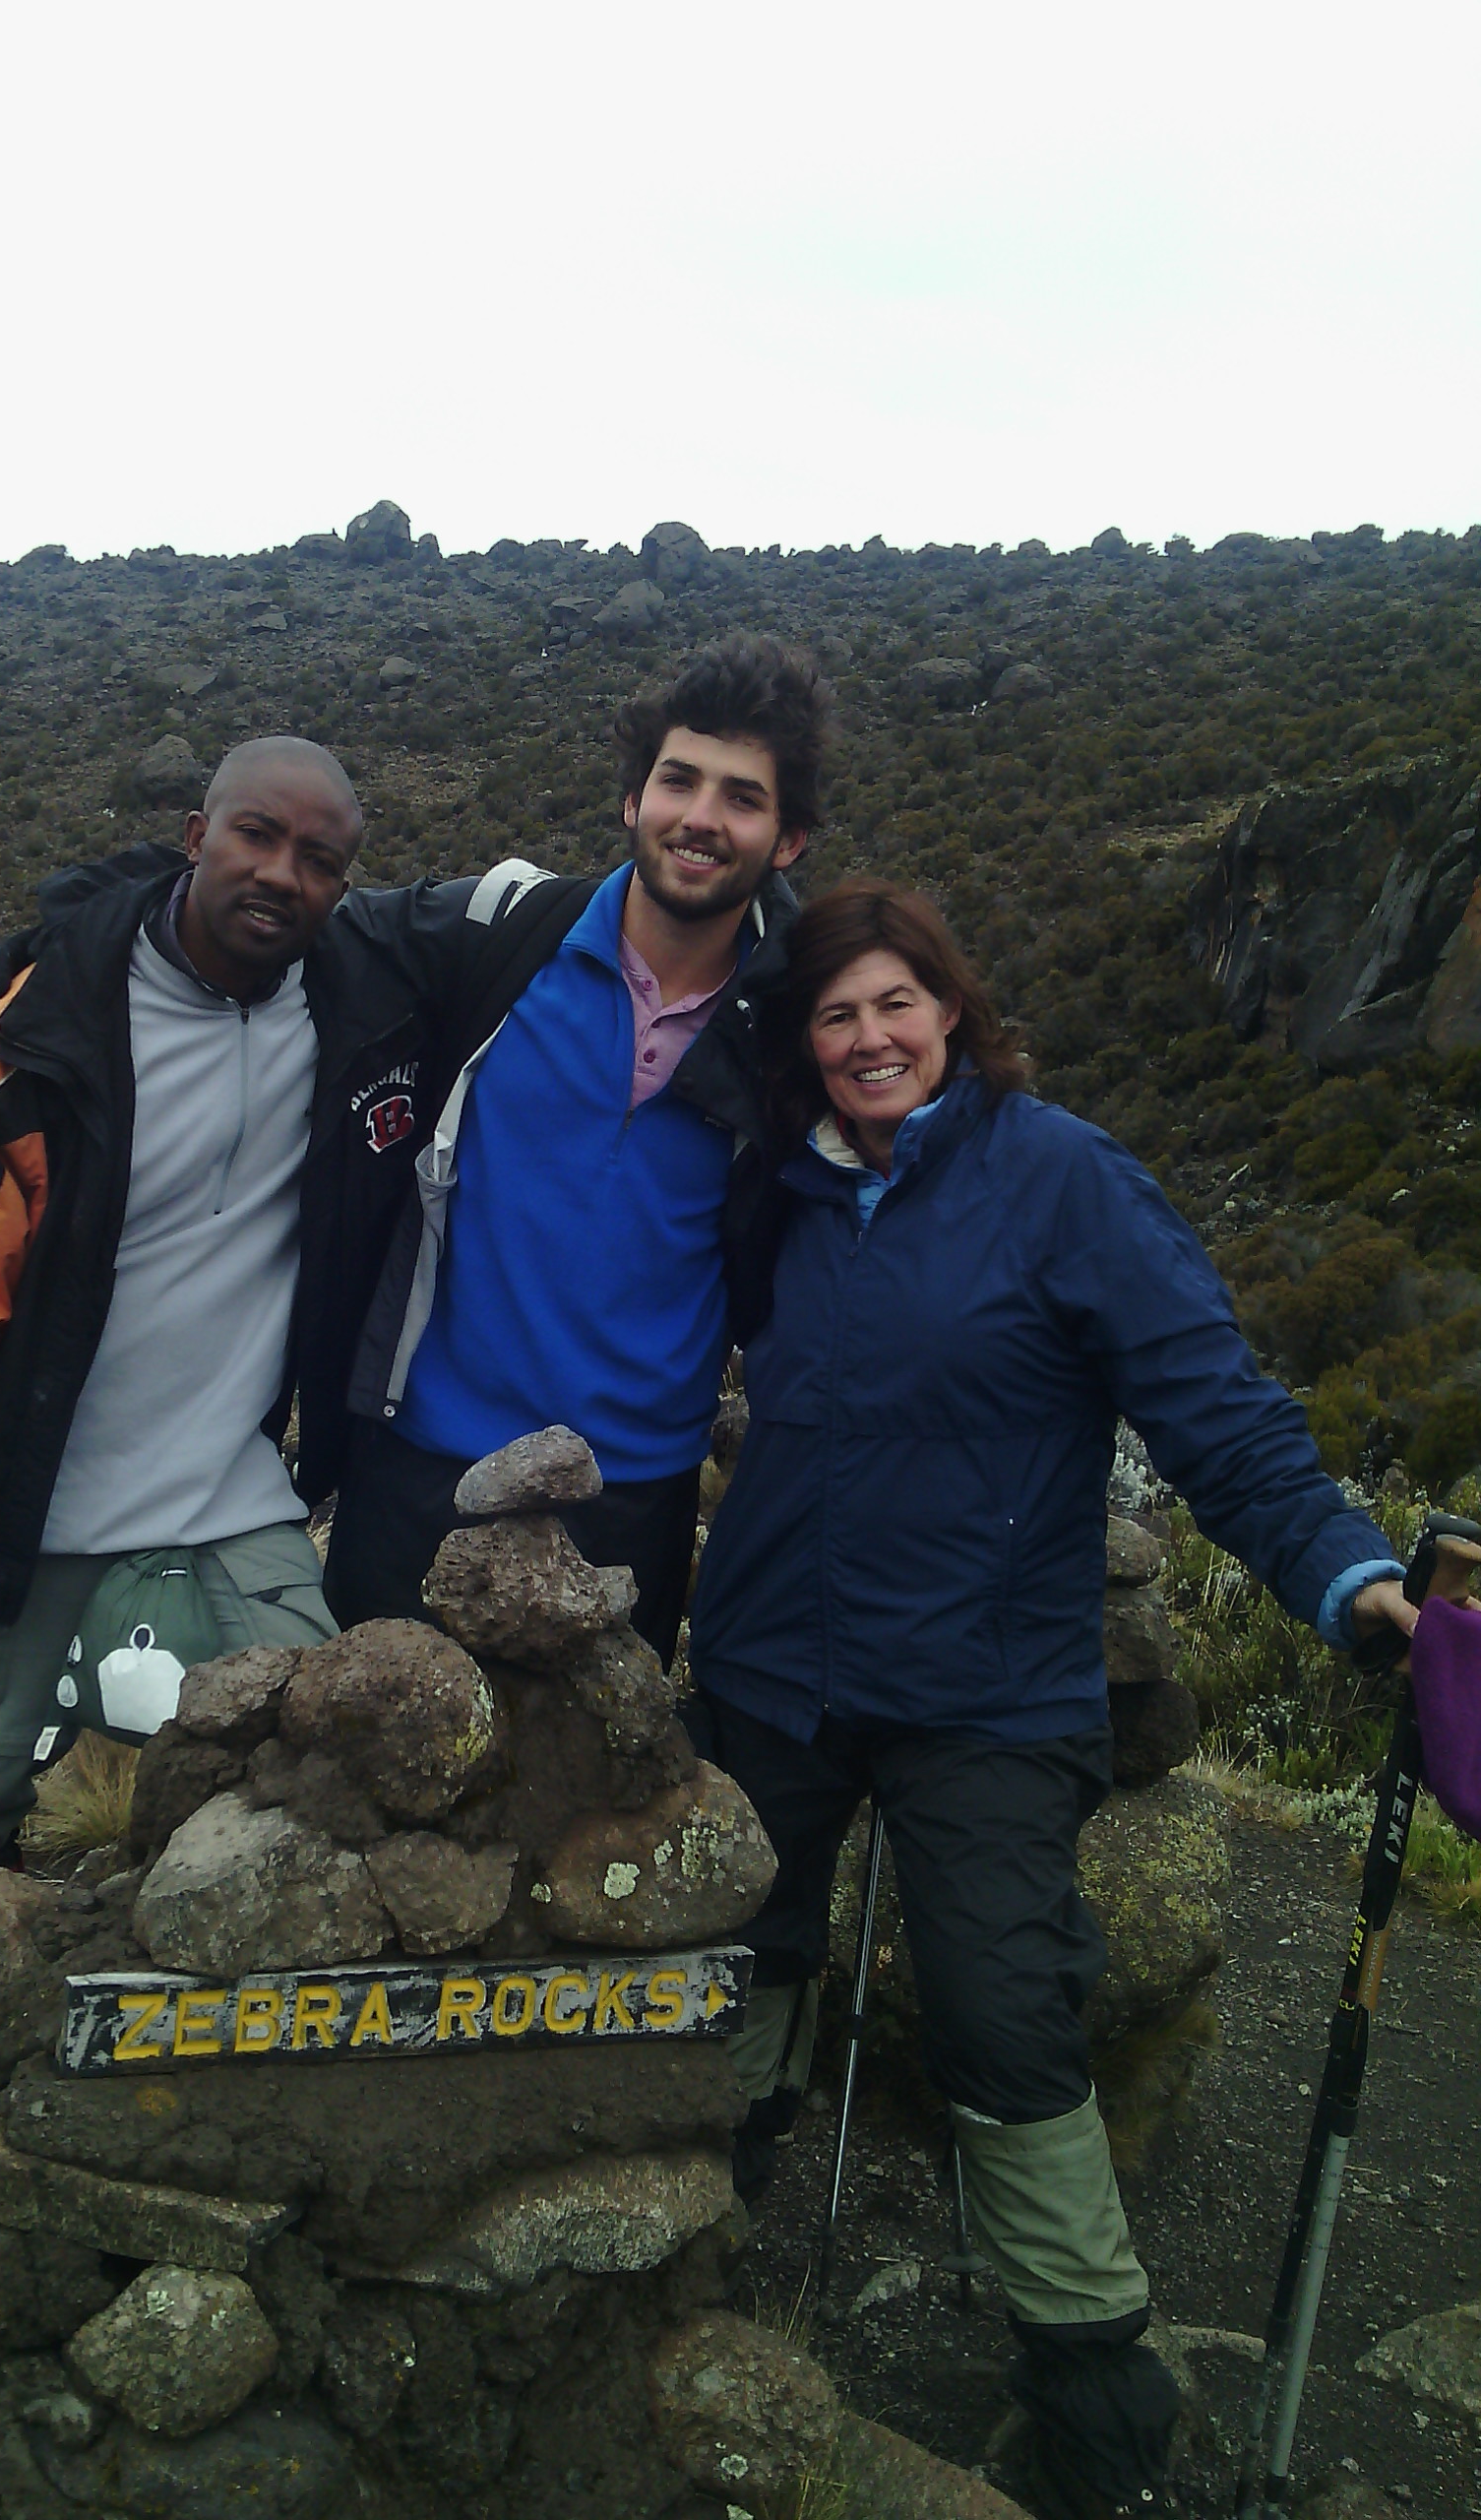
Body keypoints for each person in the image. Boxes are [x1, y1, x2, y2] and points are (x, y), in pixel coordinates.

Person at [686, 876, 1411, 2520]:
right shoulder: (775, 1196)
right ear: (804, 1045)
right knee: (744, 1957)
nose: (870, 1036)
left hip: (987, 1687)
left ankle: (1089, 2373)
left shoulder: (1063, 1179)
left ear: (951, 1011)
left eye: (896, 1003)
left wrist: (1342, 1574)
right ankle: (696, 2233)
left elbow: (1215, 1407)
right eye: (834, 1013)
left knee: (1006, 2009)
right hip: (776, 1664)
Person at [0, 736, 388, 1990]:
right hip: (36, 1492)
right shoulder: (27, 1056)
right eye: (254, 836)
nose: (280, 875)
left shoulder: (350, 1008)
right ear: (195, 832)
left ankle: (246, 1995)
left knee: (321, 1736)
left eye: (320, 860)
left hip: (228, 1482)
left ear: (345, 885)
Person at [324, 635, 827, 1668]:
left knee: (583, 1813)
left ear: (788, 840)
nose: (699, 816)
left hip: (628, 1496)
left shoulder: (797, 1027)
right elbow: (289, 924)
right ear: (632, 800)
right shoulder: (502, 934)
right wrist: (119, 919)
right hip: (420, 1464)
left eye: (742, 796)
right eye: (678, 780)